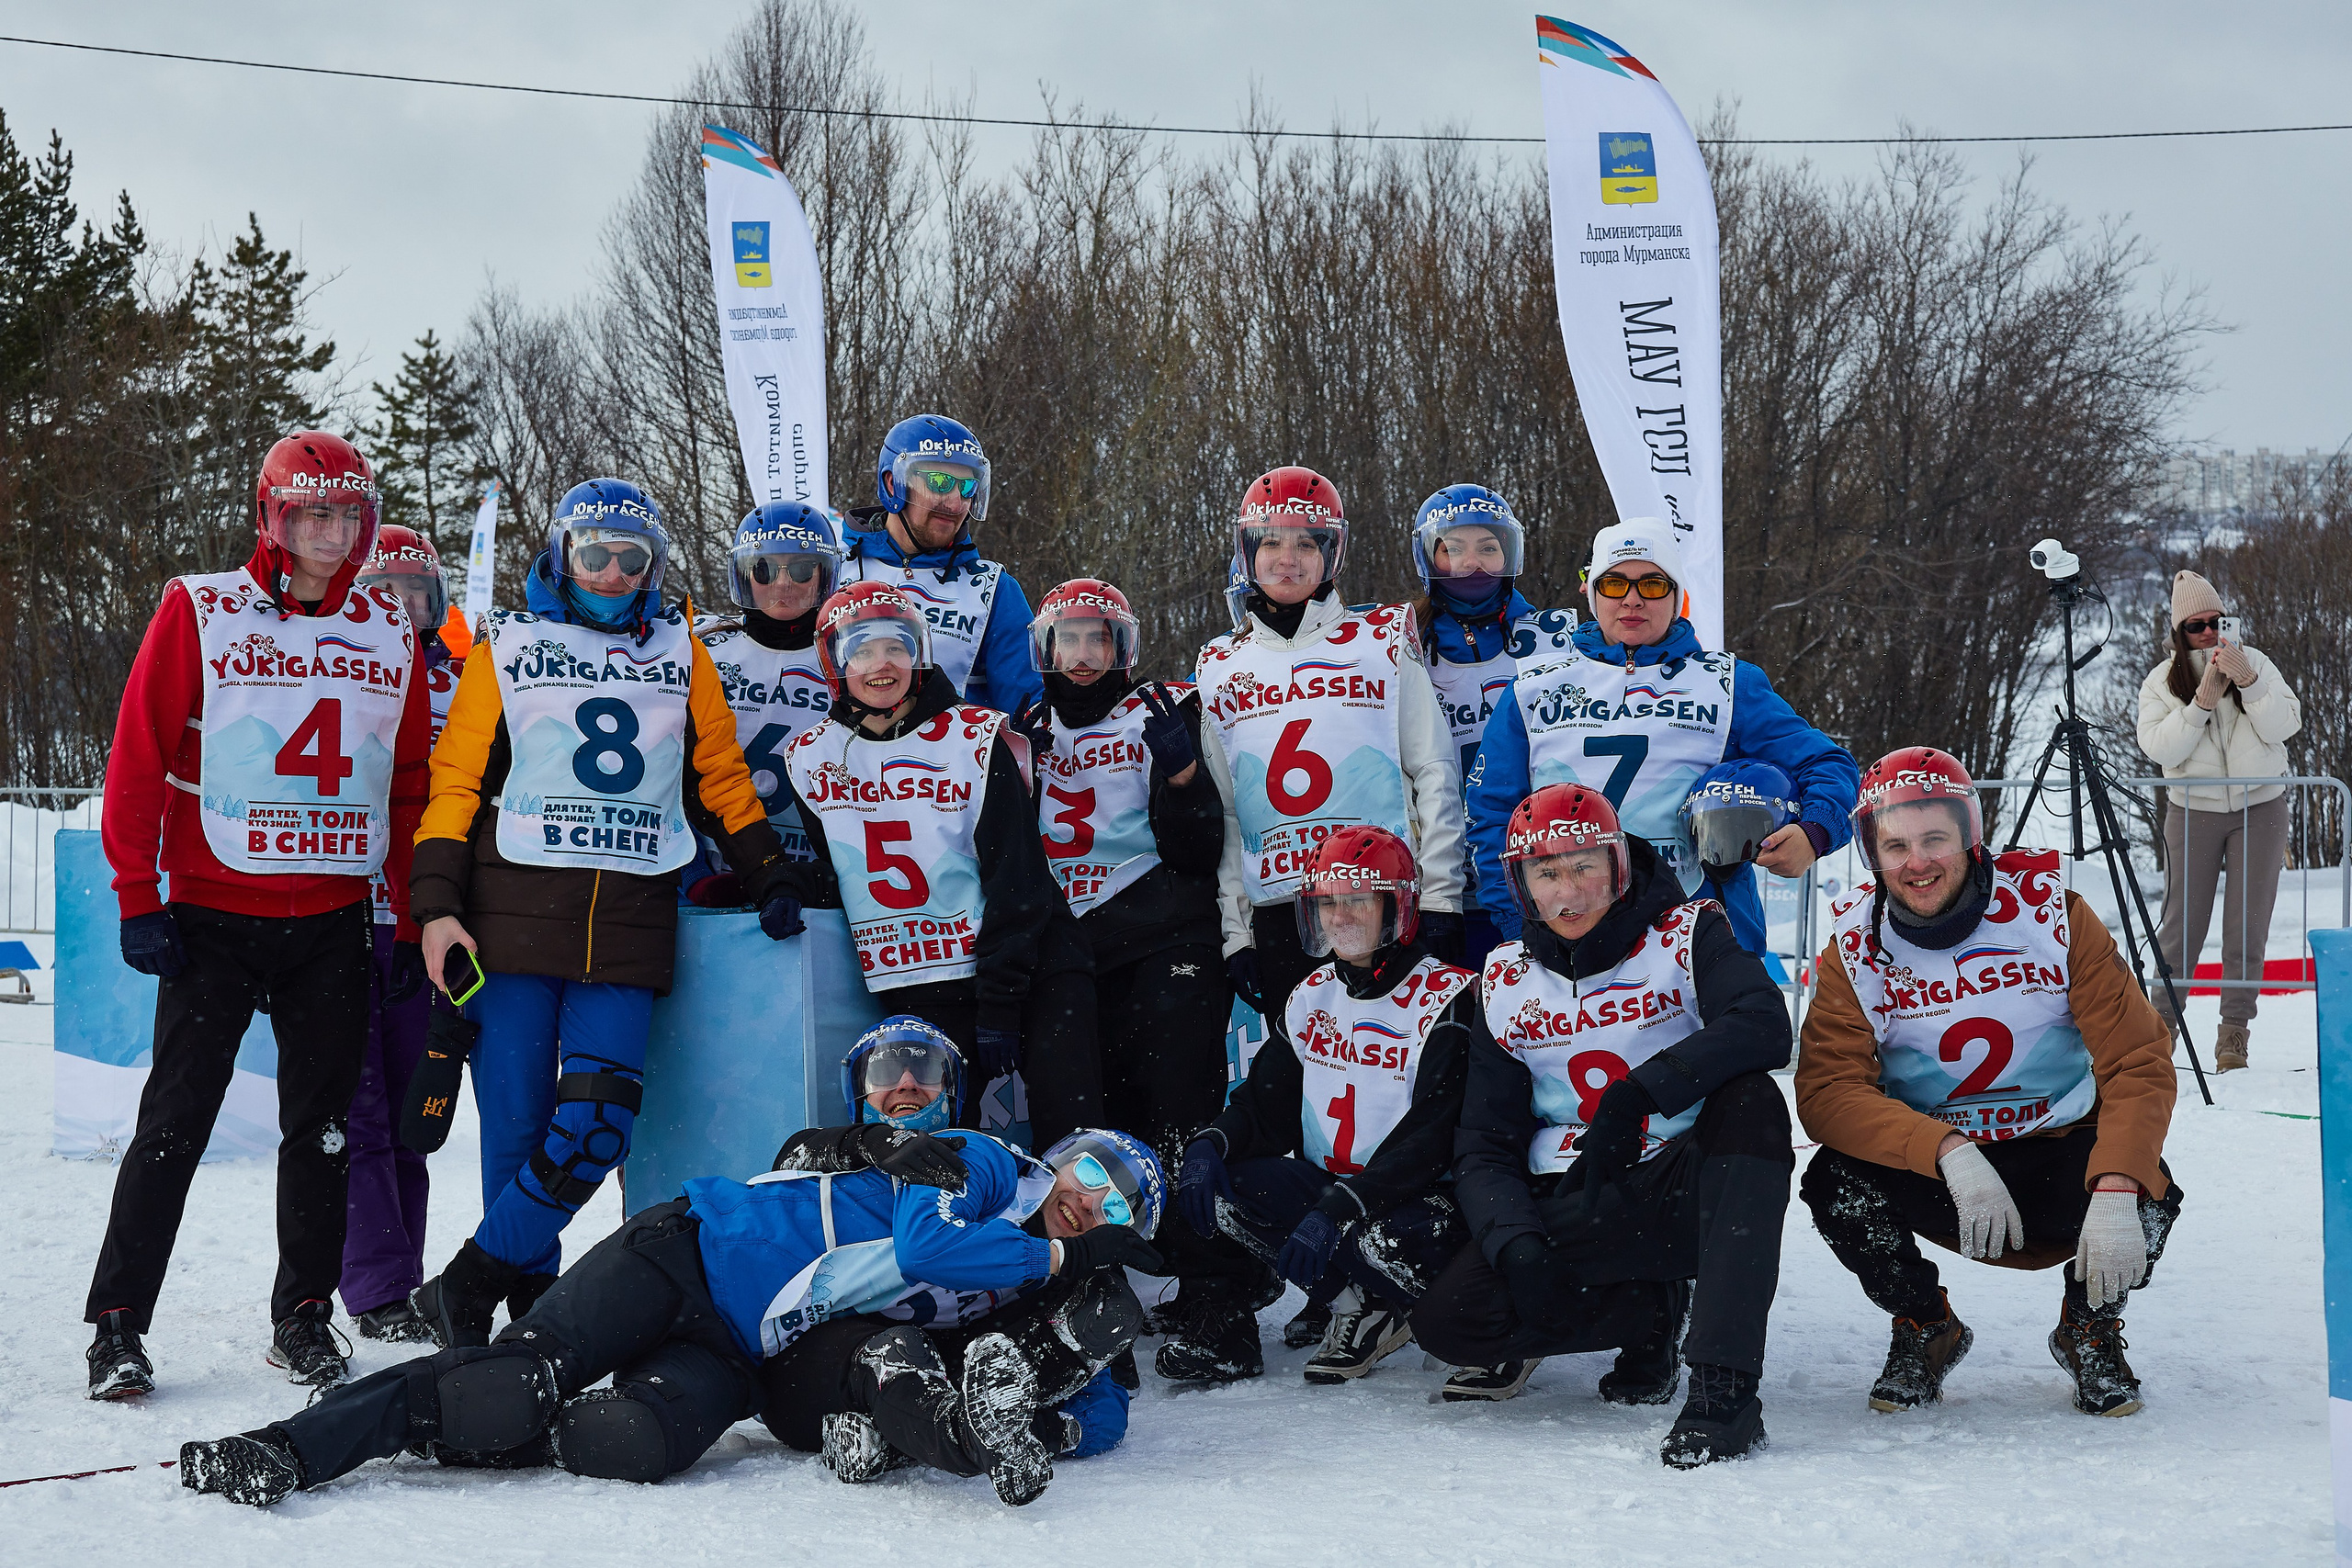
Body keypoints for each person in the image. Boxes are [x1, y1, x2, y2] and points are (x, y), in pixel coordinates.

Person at [176, 1110, 1163, 1510]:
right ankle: (292, 1447)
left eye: (1123, 1204)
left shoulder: (1039, 1273)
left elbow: (1100, 1388)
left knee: (635, 1441)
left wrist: (1061, 1415)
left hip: (740, 1349)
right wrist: (1062, 1249)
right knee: (518, 1378)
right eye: (1094, 1172)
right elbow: (924, 1247)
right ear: (1060, 1155)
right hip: (689, 1247)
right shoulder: (985, 1164)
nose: (1095, 1197)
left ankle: (471, 1422)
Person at [406, 479, 797, 1347]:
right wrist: (435, 907)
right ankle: (524, 1316)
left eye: (633, 558)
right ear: (560, 553)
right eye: (596, 555)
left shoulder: (682, 649)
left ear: (655, 565)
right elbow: (457, 783)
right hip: (509, 913)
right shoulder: (506, 642)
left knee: (594, 1126)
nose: (614, 574)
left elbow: (723, 779)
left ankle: (466, 1279)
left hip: (628, 918)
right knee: (513, 1126)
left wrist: (768, 872)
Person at [87, 430, 435, 1399]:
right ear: (271, 517)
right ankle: (117, 1324)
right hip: (214, 914)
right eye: (310, 514)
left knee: (323, 1129)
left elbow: (407, 786)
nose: (330, 533)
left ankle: (303, 1317)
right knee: (175, 1123)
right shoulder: (200, 607)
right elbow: (139, 754)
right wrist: (136, 891)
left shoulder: (388, 627)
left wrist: (404, 917)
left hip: (330, 915)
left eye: (347, 516)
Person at [1413, 784, 1795, 1467]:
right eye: (1547, 872)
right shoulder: (1503, 978)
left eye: (1585, 864)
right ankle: (1647, 1311)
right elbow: (1483, 1143)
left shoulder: (1688, 930)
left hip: (1688, 1179)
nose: (1570, 890)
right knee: (1454, 1319)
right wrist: (1516, 1241)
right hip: (1580, 1191)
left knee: (1755, 1102)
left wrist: (1640, 1093)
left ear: (1619, 865)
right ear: (1522, 884)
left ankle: (1724, 1389)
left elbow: (1765, 1022)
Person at [1797, 747, 2185, 1419]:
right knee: (1834, 1181)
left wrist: (2119, 1178)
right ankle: (1926, 1324)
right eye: (1895, 844)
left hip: (2057, 1144)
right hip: (1943, 1167)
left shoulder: (2051, 913)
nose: (1917, 862)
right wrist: (1944, 1147)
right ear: (1872, 852)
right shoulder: (1854, 945)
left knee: (2149, 1189)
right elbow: (1829, 1090)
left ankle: (2088, 1324)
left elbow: (2136, 1058)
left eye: (1934, 839)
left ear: (1971, 837)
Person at [1010, 579, 1273, 1377]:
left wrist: (1186, 781)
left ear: (1123, 646)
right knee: (1090, 1132)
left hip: (1163, 934)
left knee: (1179, 1119)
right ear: (1045, 649)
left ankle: (1222, 1297)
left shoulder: (1167, 709)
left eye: (1099, 639)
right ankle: (1099, 1294)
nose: (1084, 657)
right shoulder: (1021, 730)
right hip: (1071, 949)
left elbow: (1202, 849)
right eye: (1069, 639)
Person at [774, 582, 1102, 1150]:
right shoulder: (810, 757)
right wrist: (776, 879)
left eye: (897, 647)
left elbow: (1018, 881)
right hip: (922, 987)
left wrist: (1001, 1002)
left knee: (1072, 1146)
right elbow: (843, 874)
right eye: (863, 649)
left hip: (1032, 968)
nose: (882, 665)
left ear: (920, 654)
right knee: (936, 1158)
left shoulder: (972, 738)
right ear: (834, 661)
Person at [757, 1020, 1148, 1492]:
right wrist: (869, 1144)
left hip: (923, 1370)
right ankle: (932, 1432)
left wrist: (1050, 1430)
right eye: (887, 1073)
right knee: (891, 1350)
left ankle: (906, 1439)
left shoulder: (986, 1175)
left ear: (951, 1095)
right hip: (821, 1354)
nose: (906, 1085)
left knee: (924, 1359)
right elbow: (793, 1157)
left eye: (925, 1073)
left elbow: (1108, 1404)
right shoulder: (842, 1155)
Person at [1466, 517, 1857, 958]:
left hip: (1697, 928)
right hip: (1567, 926)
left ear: (1677, 598)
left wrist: (1815, 831)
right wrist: (1518, 922)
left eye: (1652, 585)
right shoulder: (1531, 687)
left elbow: (1827, 764)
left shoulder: (1729, 684)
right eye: (1615, 584)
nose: (1632, 600)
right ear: (1592, 594)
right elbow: (1491, 812)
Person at [1170, 826, 1476, 1386]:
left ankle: (1457, 1316)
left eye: (1358, 899)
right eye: (1327, 902)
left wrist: (1343, 1206)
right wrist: (1212, 1142)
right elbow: (1266, 1106)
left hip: (1423, 1201)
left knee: (1378, 1238)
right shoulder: (1313, 994)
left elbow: (1434, 1140)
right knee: (1223, 1187)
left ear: (1397, 906)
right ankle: (1357, 1303)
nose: (1340, 917)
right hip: (1336, 1191)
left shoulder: (1449, 998)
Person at [1196, 465, 1466, 1042]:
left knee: (1397, 1069)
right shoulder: (1219, 661)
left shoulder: (1383, 636)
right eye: (1270, 542)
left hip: (1381, 898)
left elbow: (1435, 771)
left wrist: (1442, 897)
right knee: (1299, 1083)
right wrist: (1236, 932)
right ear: (1248, 551)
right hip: (1278, 911)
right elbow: (1225, 813)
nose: (1286, 558)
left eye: (1305, 543)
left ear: (1332, 553)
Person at [338, 525, 464, 1342]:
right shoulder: (337, 670)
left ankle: (401, 1277)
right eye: (382, 589)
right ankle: (370, 1282)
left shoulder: (462, 686)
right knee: (357, 1115)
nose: (398, 605)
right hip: (343, 920)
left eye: (414, 591)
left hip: (428, 927)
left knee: (419, 1110)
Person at [2134, 570, 2302, 1071]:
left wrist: (2248, 682)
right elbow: (2160, 748)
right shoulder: (2162, 681)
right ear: (2178, 631)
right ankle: (2160, 1026)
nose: (2208, 633)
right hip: (2193, 812)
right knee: (2182, 924)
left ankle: (2234, 1033)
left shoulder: (2257, 664)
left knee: (2248, 925)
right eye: (2195, 625)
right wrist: (2200, 702)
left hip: (2261, 807)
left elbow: (2285, 725)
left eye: (2215, 621)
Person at [680, 501, 844, 903]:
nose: (783, 583)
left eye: (802, 569)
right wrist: (694, 872)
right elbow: (666, 769)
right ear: (745, 574)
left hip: (820, 877)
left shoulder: (852, 657)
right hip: (717, 873)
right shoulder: (703, 649)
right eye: (765, 569)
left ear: (825, 575)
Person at [1408, 484, 1542, 969]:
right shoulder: (1400, 646)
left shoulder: (1553, 639)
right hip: (1436, 887)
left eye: (1488, 547)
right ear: (1429, 559)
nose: (1474, 563)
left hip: (1531, 875)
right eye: (1455, 549)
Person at [836, 413, 1043, 715]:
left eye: (968, 487)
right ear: (894, 484)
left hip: (947, 759)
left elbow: (1028, 704)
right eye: (940, 482)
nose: (957, 503)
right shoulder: (833, 569)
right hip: (838, 758)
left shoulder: (992, 589)